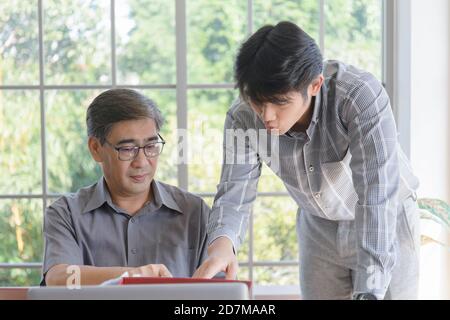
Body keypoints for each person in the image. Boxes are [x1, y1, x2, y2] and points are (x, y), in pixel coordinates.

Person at [193, 21, 420, 300]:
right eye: (256, 101)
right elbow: (234, 194)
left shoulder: (358, 96)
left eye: (279, 102)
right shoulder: (242, 118)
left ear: (314, 85)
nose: (266, 116)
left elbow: (377, 195)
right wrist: (222, 245)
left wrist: (370, 290)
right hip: (318, 224)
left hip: (387, 218)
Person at [42, 89, 209, 286]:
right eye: (127, 149)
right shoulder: (66, 213)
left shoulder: (194, 212)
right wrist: (132, 276)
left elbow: (221, 292)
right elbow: (58, 278)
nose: (142, 162)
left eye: (150, 146)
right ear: (96, 149)